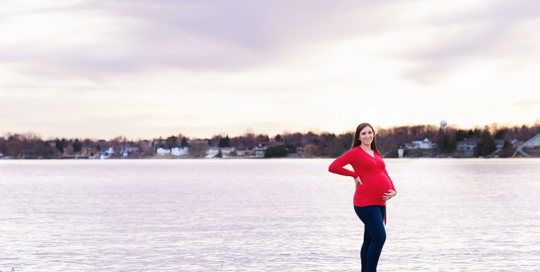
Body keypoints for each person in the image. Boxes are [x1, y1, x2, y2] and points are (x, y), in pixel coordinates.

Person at [328, 123, 397, 272]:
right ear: (358, 137)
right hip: (365, 203)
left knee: (370, 240)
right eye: (364, 133)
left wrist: (393, 190)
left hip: (380, 203)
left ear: (373, 134)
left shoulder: (376, 153)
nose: (367, 136)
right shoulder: (355, 152)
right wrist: (354, 174)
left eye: (370, 133)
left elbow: (385, 173)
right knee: (379, 237)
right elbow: (333, 167)